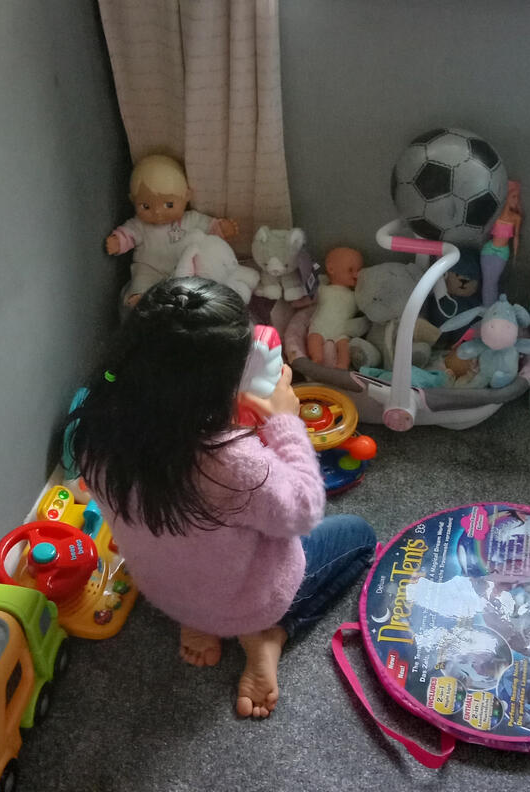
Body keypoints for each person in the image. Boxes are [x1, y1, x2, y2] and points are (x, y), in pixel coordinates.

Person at [69, 277, 377, 719]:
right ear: (218, 387)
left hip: (166, 593)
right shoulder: (232, 463)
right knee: (360, 536)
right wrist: (285, 424)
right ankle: (267, 635)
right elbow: (304, 511)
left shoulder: (94, 431)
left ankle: (197, 621)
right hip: (250, 601)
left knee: (194, 541)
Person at [105, 154, 240, 307]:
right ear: (133, 201)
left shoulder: (191, 219)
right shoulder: (139, 224)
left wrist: (222, 228)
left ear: (186, 196)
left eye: (168, 205)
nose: (157, 212)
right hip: (149, 268)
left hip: (183, 269)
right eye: (146, 206)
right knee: (141, 280)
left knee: (196, 283)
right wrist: (118, 241)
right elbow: (128, 234)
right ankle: (140, 300)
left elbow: (209, 230)